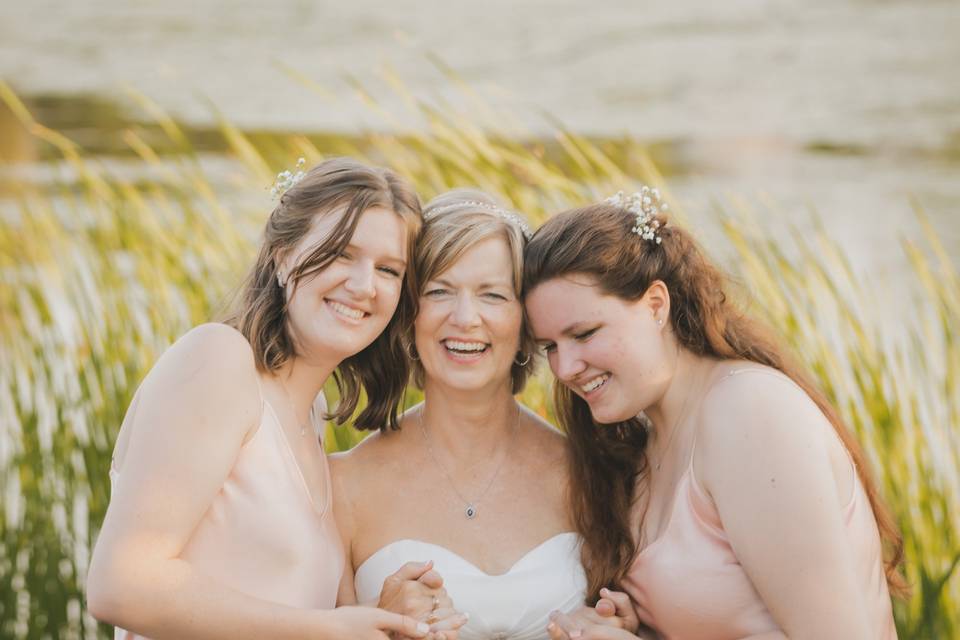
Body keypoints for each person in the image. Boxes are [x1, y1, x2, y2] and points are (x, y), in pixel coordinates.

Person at [522, 189, 905, 640]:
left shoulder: (750, 415)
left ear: (656, 305)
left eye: (584, 334)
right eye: (550, 347)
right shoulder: (647, 440)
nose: (564, 369)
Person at [86, 157, 434, 639]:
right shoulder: (218, 360)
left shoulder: (310, 418)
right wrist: (326, 631)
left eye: (389, 269)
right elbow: (121, 584)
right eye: (341, 253)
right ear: (283, 253)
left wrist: (385, 613)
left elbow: (276, 605)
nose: (363, 285)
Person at [331, 190, 587, 640]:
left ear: (525, 322)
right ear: (408, 315)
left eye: (492, 295)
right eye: (439, 292)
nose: (465, 318)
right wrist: (378, 627)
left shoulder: (588, 474)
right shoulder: (344, 486)